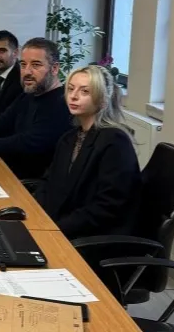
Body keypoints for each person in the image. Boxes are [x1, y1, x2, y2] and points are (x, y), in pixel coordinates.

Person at [34, 65, 142, 240]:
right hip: (60, 226)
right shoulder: (69, 138)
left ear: (102, 100)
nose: (74, 96)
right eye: (71, 89)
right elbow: (48, 182)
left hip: (94, 238)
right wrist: (35, 214)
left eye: (85, 91)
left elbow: (107, 207)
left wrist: (56, 229)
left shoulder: (115, 141)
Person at [0, 37, 72, 179]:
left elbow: (26, 143)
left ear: (54, 68)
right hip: (8, 170)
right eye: (23, 64)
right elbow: (2, 121)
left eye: (35, 65)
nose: (27, 72)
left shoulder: (62, 103)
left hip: (31, 182)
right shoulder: (28, 95)